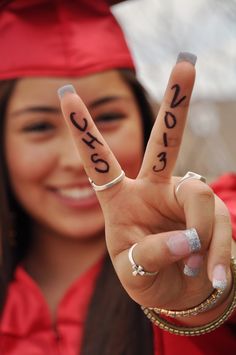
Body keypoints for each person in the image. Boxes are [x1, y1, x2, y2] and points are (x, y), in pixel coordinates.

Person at [0, 0, 235, 354]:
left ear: (144, 121)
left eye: (108, 118)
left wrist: (205, 304)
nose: (76, 159)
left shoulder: (203, 227)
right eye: (38, 126)